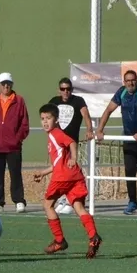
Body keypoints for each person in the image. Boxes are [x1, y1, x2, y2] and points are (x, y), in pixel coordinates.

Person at [34, 104, 102, 259]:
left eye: (48, 118)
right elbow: (58, 162)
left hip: (62, 177)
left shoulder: (56, 133)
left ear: (56, 120)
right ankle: (93, 237)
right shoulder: (53, 136)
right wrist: (43, 173)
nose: (45, 122)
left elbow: (72, 142)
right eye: (42, 119)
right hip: (75, 176)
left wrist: (74, 157)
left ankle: (59, 240)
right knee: (79, 207)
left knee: (47, 205)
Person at [94, 70, 137, 215]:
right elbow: (108, 110)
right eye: (128, 80)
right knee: (129, 169)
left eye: (133, 80)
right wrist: (99, 130)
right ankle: (132, 202)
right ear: (124, 82)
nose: (131, 83)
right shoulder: (121, 92)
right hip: (130, 137)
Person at [0, 72, 30, 214]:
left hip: (13, 146)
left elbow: (24, 123)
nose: (6, 86)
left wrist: (18, 138)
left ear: (12, 84)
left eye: (8, 83)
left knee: (15, 174)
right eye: (3, 83)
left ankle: (19, 201)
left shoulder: (19, 101)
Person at [47, 77, 93, 215]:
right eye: (63, 89)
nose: (65, 91)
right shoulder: (54, 101)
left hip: (71, 142)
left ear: (71, 90)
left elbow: (86, 115)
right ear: (59, 90)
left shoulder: (78, 101)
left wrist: (89, 129)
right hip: (58, 144)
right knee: (59, 171)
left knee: (71, 171)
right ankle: (62, 199)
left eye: (68, 89)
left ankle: (70, 201)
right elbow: (47, 117)